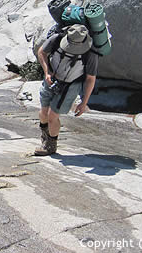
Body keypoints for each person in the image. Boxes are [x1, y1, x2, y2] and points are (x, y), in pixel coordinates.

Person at [35, 24, 98, 156]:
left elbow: (90, 79)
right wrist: (47, 72)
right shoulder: (57, 39)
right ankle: (45, 136)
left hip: (71, 85)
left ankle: (50, 146)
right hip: (51, 79)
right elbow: (41, 52)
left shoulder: (90, 53)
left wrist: (84, 102)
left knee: (52, 116)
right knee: (43, 113)